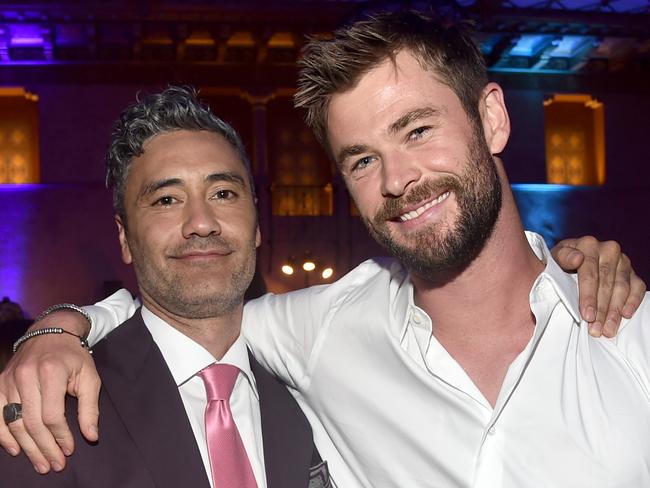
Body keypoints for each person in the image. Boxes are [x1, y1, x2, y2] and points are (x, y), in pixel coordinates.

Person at [0, 10, 647, 488]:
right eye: (363, 160)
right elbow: (189, 312)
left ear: (494, 119)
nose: (397, 180)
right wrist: (59, 329)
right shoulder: (326, 328)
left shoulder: (632, 338)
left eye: (418, 129)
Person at [0, 86, 328, 487]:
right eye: (167, 200)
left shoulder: (313, 388)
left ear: (258, 224)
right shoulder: (47, 412)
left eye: (223, 193)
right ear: (124, 237)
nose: (202, 223)